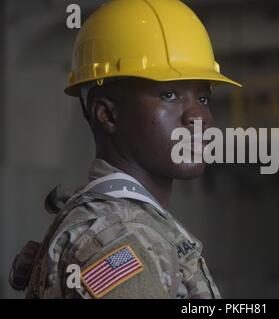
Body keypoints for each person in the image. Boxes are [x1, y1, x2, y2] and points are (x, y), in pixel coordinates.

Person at [9, 0, 240, 299]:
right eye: (169, 94)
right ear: (107, 114)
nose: (199, 117)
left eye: (203, 98)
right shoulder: (117, 242)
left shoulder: (128, 226)